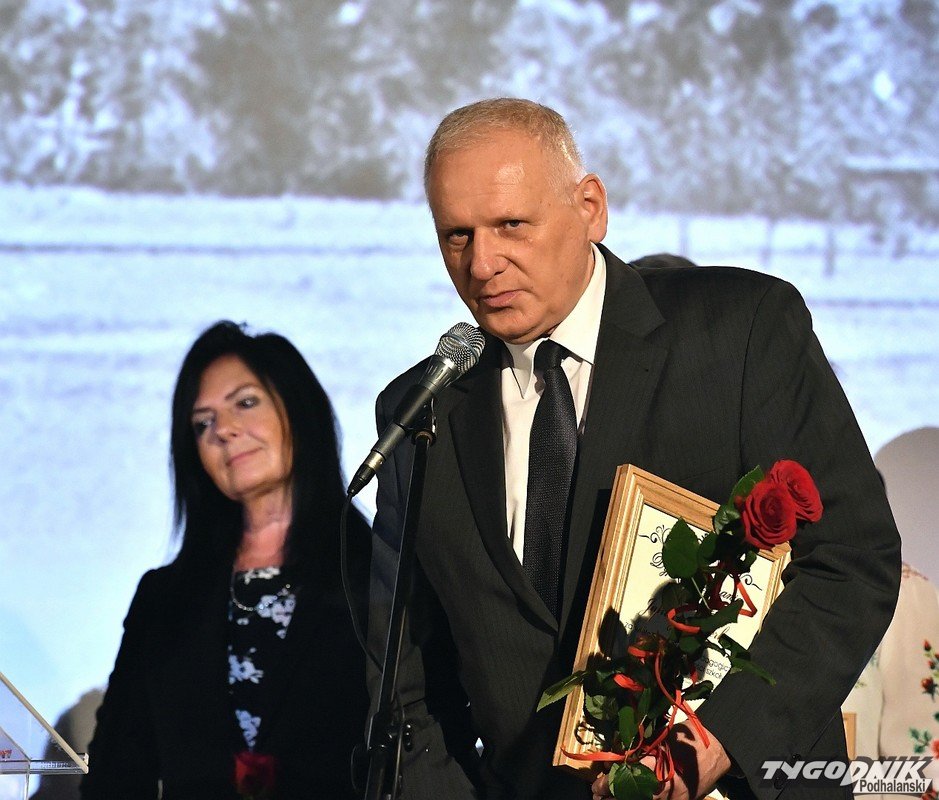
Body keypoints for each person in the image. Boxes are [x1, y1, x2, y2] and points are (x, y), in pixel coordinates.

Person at [366, 98, 901, 800]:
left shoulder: (737, 333)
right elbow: (408, 689)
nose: (483, 263)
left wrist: (714, 744)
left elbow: (851, 561)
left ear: (590, 207)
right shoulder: (422, 411)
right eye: (456, 236)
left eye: (511, 225)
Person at [81, 321, 370, 799]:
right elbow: (116, 771)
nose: (224, 430)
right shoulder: (164, 599)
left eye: (245, 403)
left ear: (299, 409)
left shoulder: (381, 573)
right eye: (203, 423)